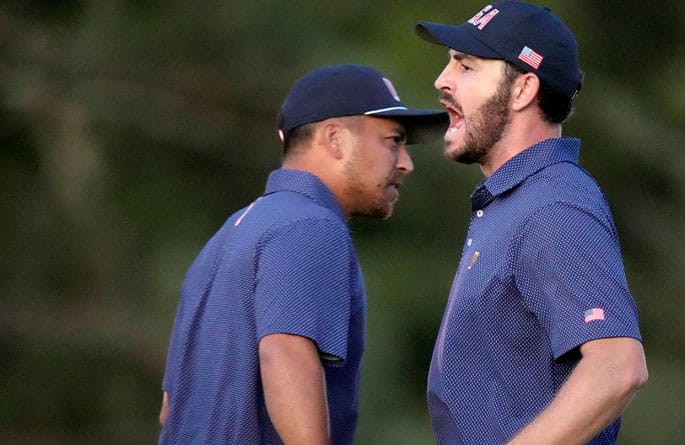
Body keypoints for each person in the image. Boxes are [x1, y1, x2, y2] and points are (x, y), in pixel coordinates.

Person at [157, 64, 448, 445]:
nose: (406, 163)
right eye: (393, 140)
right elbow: (284, 354)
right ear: (334, 138)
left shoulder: (231, 232)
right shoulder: (310, 224)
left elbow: (170, 408)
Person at [414, 2, 648, 444]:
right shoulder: (515, 201)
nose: (442, 81)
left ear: (522, 90)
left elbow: (618, 365)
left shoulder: (554, 205)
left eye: (465, 66)